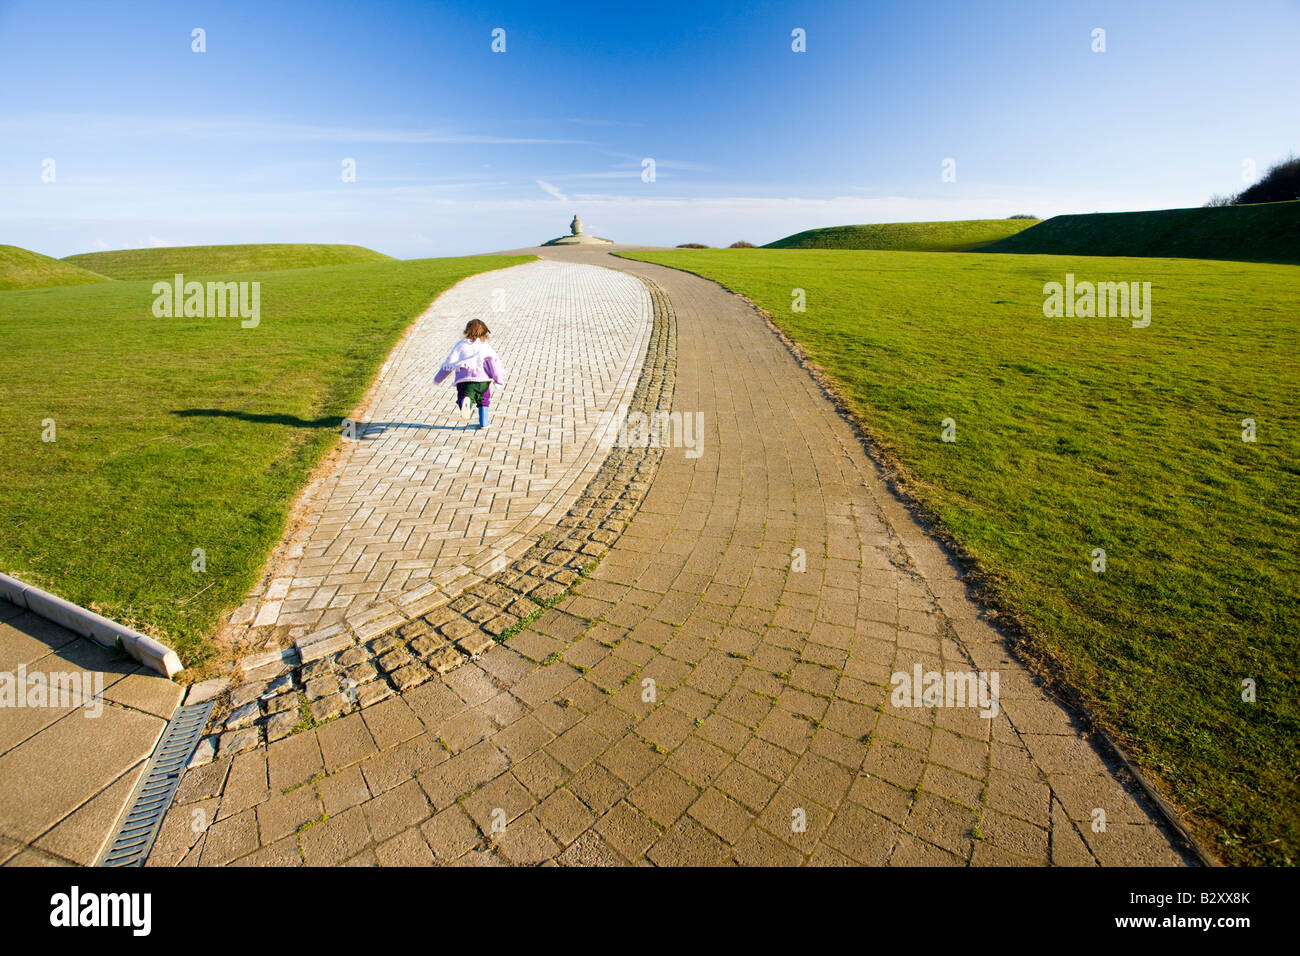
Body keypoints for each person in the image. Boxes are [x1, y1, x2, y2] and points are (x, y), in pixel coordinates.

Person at [433, 319, 506, 429]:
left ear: (466, 331)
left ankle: (465, 402)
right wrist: (498, 380)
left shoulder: (460, 345)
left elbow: (449, 364)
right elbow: (494, 364)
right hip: (483, 381)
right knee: (484, 399)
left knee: (464, 396)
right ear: (485, 334)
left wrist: (438, 379)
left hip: (465, 380)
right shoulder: (485, 347)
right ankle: (484, 422)